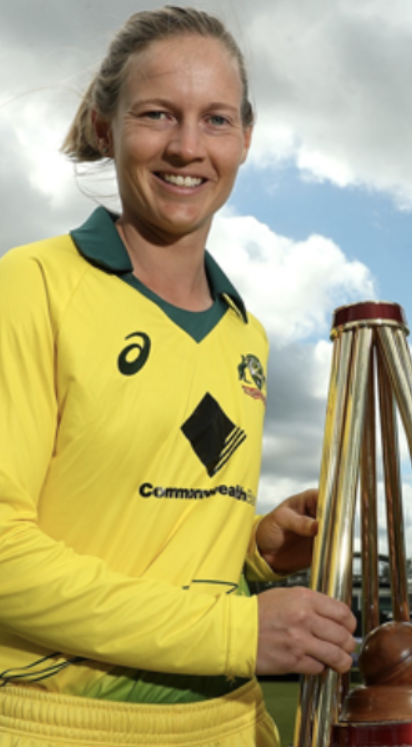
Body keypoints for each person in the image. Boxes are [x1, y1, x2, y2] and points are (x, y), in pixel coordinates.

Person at [0, 7, 356, 746]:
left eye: (216, 120)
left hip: (229, 722)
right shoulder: (29, 286)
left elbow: (159, 546)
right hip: (63, 724)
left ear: (246, 139)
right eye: (158, 114)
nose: (187, 147)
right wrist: (234, 630)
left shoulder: (243, 331)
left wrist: (255, 552)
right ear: (105, 126)